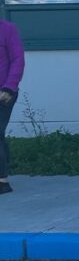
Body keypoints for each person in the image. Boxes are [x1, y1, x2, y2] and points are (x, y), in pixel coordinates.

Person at [0, 18, 24, 195]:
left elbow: (18, 59)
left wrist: (9, 86)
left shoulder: (7, 29)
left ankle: (2, 181)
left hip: (4, 92)